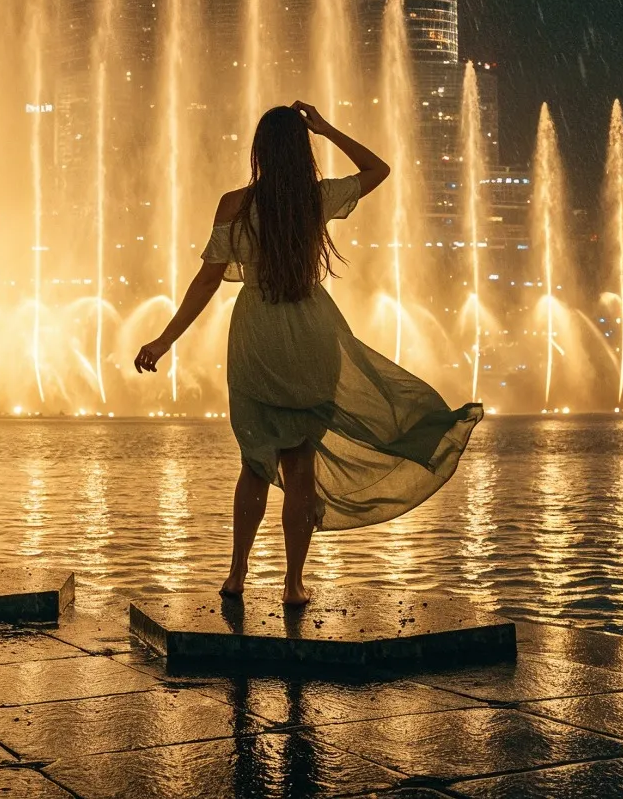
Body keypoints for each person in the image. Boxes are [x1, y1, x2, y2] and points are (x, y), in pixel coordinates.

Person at [134, 101, 482, 606]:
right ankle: (293, 584)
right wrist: (326, 128)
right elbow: (378, 169)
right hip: (314, 333)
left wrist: (164, 340)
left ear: (260, 153)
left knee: (255, 464)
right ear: (302, 151)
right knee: (300, 467)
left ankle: (236, 575)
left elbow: (207, 280)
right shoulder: (315, 200)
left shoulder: (234, 205)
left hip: (257, 338)